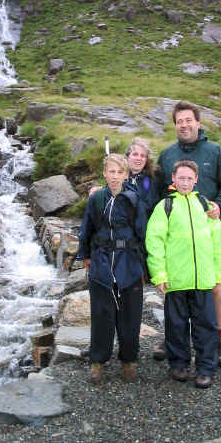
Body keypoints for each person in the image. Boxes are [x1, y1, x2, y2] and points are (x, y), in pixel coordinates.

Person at [155, 100, 221, 366]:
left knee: (214, 286)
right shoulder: (167, 155)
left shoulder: (214, 152)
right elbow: (155, 188)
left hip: (207, 233)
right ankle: (174, 339)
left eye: (188, 120)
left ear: (198, 122)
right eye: (179, 121)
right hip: (177, 236)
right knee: (173, 288)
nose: (184, 125)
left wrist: (220, 204)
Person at [146, 160, 221, 388]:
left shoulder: (206, 206)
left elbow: (218, 242)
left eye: (189, 178)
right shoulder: (165, 207)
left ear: (196, 180)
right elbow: (154, 241)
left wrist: (217, 274)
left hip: (203, 281)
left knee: (206, 326)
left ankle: (205, 369)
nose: (185, 182)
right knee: (177, 326)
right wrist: (159, 275)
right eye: (181, 178)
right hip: (176, 280)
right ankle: (178, 365)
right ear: (173, 179)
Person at [77, 154, 147, 384]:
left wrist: (145, 266)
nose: (115, 176)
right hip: (102, 262)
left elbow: (144, 234)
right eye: (111, 172)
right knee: (101, 315)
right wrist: (85, 255)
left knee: (131, 316)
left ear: (126, 175)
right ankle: (97, 361)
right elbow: (86, 229)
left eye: (120, 172)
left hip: (129, 264)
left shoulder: (134, 199)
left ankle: (129, 360)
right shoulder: (96, 199)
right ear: (104, 173)